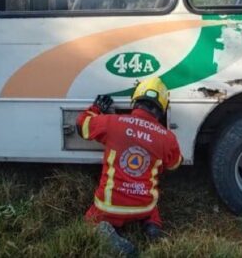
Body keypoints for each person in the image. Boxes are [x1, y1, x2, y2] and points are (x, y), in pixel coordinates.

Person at [76, 77, 183, 256]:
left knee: (91, 220)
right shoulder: (168, 138)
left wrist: (96, 109)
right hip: (144, 206)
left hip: (110, 206)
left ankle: (103, 231)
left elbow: (82, 126)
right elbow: (174, 165)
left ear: (135, 101)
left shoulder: (112, 122)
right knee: (152, 203)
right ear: (162, 109)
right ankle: (152, 226)